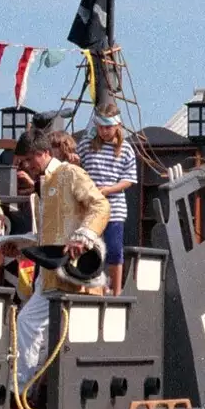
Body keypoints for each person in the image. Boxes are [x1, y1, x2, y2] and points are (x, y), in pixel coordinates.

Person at [9, 128, 108, 401]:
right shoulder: (46, 185)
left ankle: (23, 391)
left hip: (71, 274)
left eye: (27, 161)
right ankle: (25, 391)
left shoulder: (70, 174)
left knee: (37, 327)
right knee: (32, 326)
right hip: (51, 276)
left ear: (42, 153)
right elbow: (48, 233)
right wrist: (20, 247)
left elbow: (100, 206)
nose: (25, 168)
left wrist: (83, 237)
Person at [79, 105, 138, 295]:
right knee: (88, 247)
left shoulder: (126, 149)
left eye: (108, 127)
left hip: (114, 206)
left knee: (114, 248)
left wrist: (109, 189)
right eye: (100, 127)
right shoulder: (86, 145)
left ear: (117, 126)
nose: (104, 132)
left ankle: (116, 290)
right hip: (90, 206)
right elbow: (77, 168)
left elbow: (129, 180)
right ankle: (91, 287)